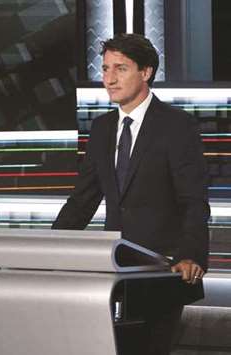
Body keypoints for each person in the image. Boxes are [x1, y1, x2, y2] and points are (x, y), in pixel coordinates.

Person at [53, 33, 210, 354]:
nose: (109, 79)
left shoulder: (178, 126)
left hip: (162, 272)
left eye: (120, 69)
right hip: (113, 272)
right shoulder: (101, 128)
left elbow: (193, 200)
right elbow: (82, 202)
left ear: (146, 72)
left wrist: (191, 254)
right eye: (106, 68)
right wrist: (46, 252)